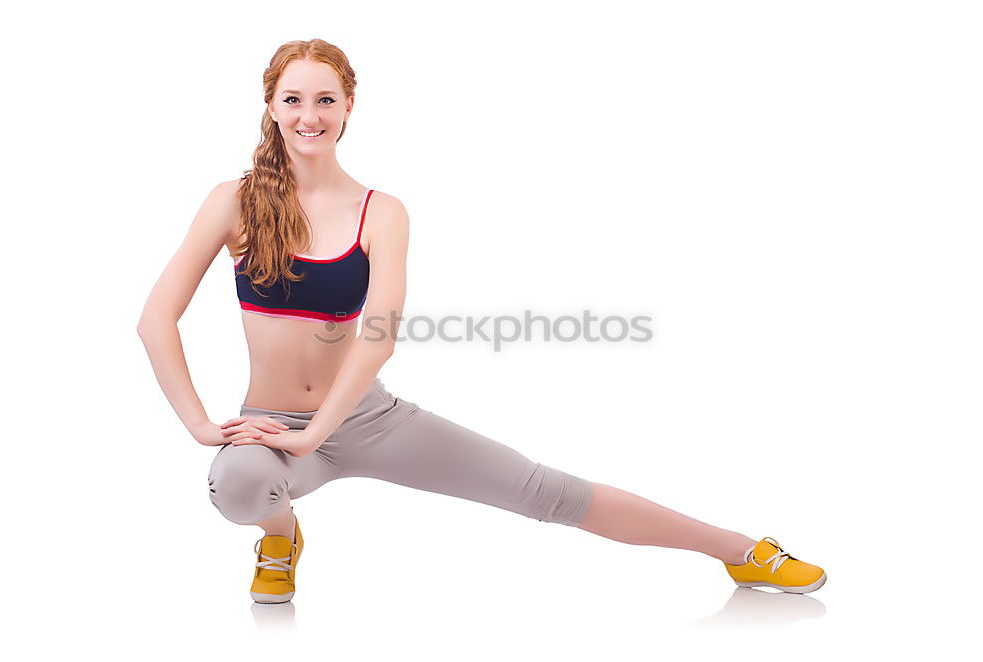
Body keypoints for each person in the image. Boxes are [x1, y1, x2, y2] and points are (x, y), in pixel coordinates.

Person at [136, 38, 827, 604]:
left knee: (542, 491)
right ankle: (280, 538)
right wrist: (202, 425)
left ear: (350, 106)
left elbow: (378, 336)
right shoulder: (233, 201)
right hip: (273, 426)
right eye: (294, 99)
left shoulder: (382, 212)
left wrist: (322, 429)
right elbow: (156, 320)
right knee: (239, 484)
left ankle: (741, 550)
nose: (309, 115)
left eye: (325, 99)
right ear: (271, 106)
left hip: (365, 418)